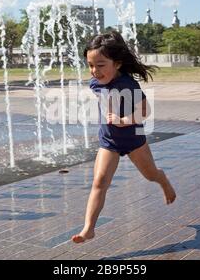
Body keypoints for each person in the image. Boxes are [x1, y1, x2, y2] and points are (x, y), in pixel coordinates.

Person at [71, 31, 177, 244]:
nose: (94, 71)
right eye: (90, 65)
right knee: (100, 181)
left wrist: (123, 119)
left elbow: (145, 111)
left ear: (117, 64)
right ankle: (88, 228)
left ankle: (162, 179)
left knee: (150, 175)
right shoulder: (96, 84)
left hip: (133, 138)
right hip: (109, 141)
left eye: (100, 65)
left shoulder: (128, 85)